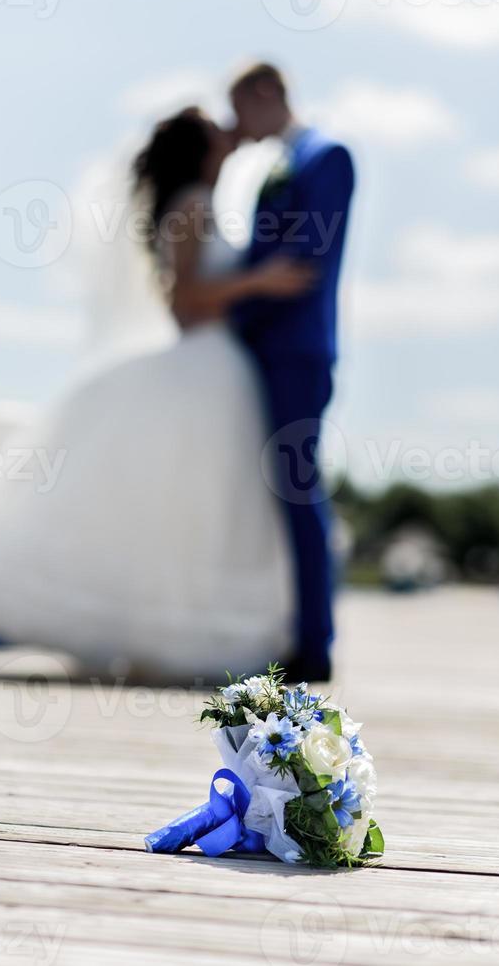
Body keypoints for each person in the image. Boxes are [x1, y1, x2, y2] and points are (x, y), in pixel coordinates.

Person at [0, 108, 315, 681]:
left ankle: (168, 639)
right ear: (201, 151)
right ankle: (178, 641)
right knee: (191, 506)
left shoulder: (195, 201)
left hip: (213, 365)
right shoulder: (193, 203)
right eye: (219, 135)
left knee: (189, 509)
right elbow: (185, 302)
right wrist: (260, 282)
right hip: (205, 362)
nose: (230, 138)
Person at [229, 64, 355, 681]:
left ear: (265, 93)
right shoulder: (276, 168)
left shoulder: (326, 156)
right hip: (261, 350)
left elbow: (303, 263)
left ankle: (315, 644)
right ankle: (285, 627)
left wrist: (225, 310)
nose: (237, 127)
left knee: (297, 490)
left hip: (296, 353)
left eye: (239, 109)